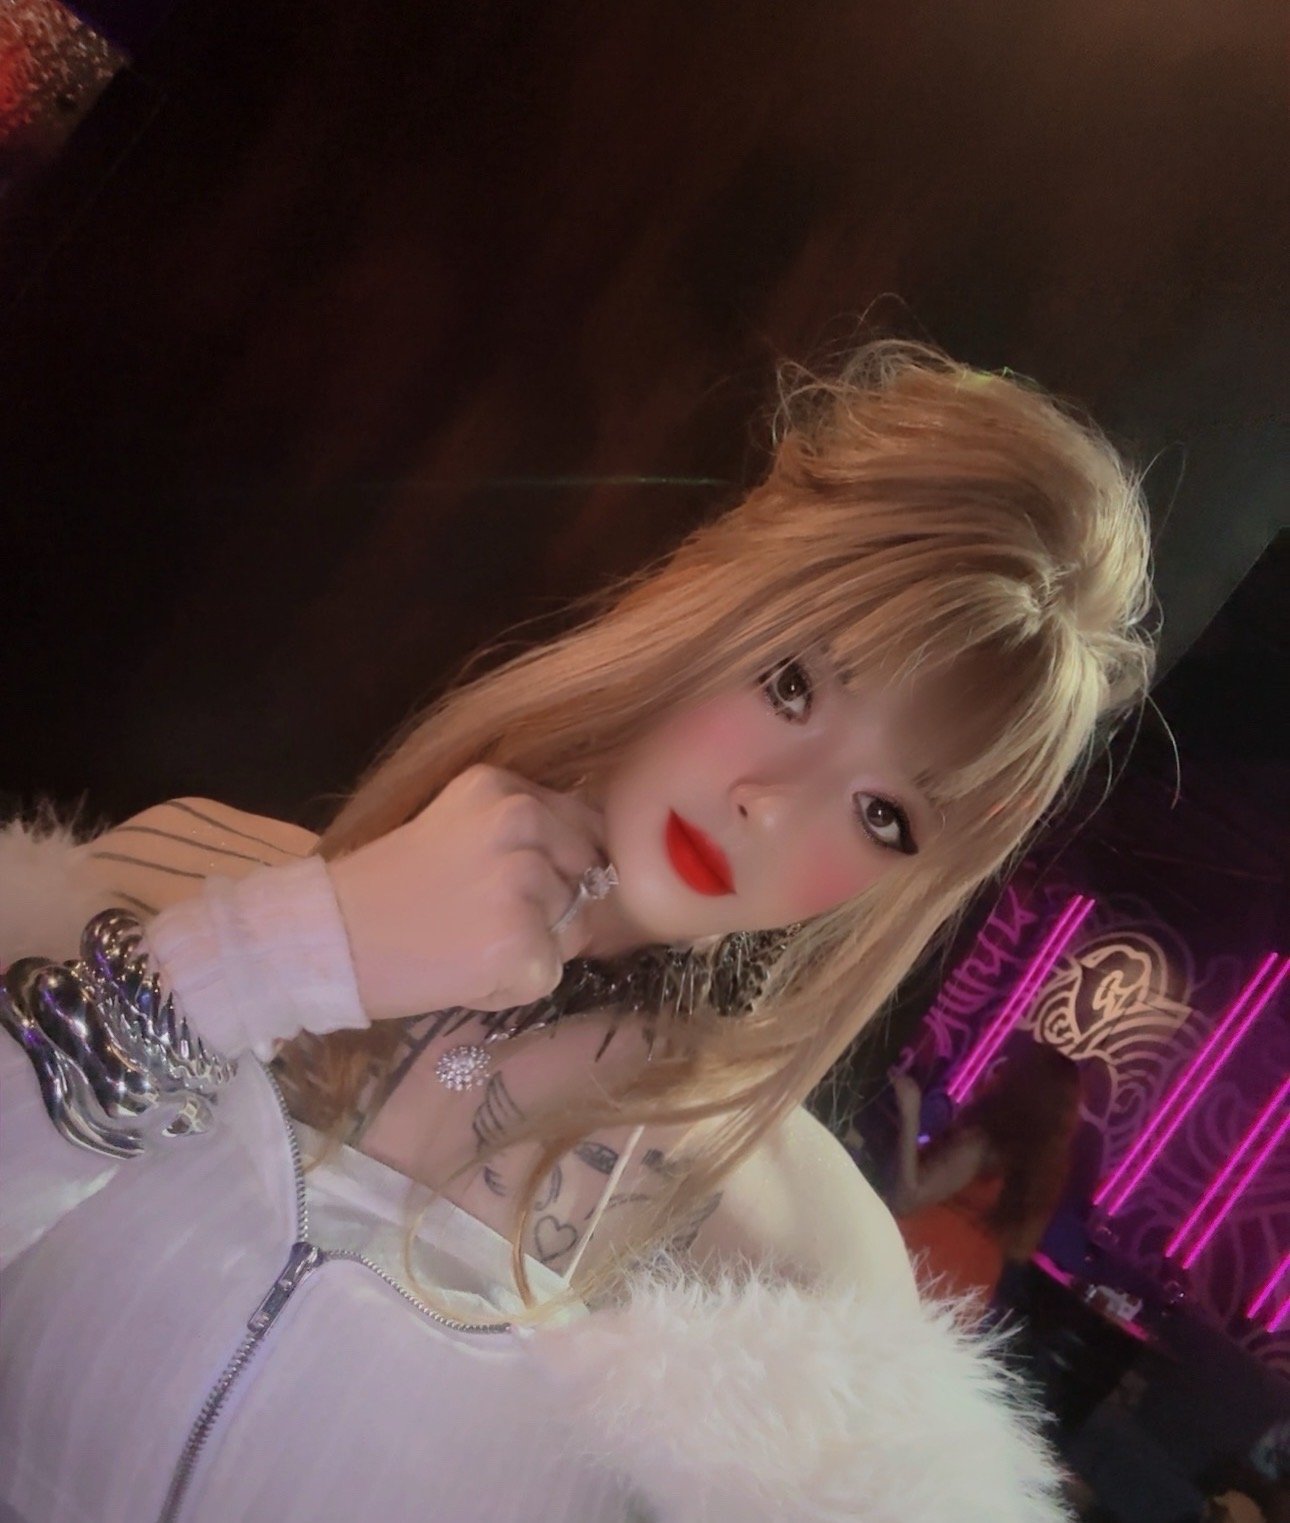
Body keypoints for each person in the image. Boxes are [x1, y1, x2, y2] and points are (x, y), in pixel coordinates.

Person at [0, 340, 1156, 1523]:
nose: (772, 805)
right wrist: (272, 954)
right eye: (793, 685)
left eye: (882, 813)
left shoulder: (803, 1269)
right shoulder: (178, 871)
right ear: (710, 594)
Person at [891, 1042, 1084, 1309]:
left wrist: (910, 1112)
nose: (995, 1073)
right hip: (964, 1286)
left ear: (1019, 1087)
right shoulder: (1036, 1173)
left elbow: (906, 1200)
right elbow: (1019, 1248)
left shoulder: (984, 1147)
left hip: (917, 1266)